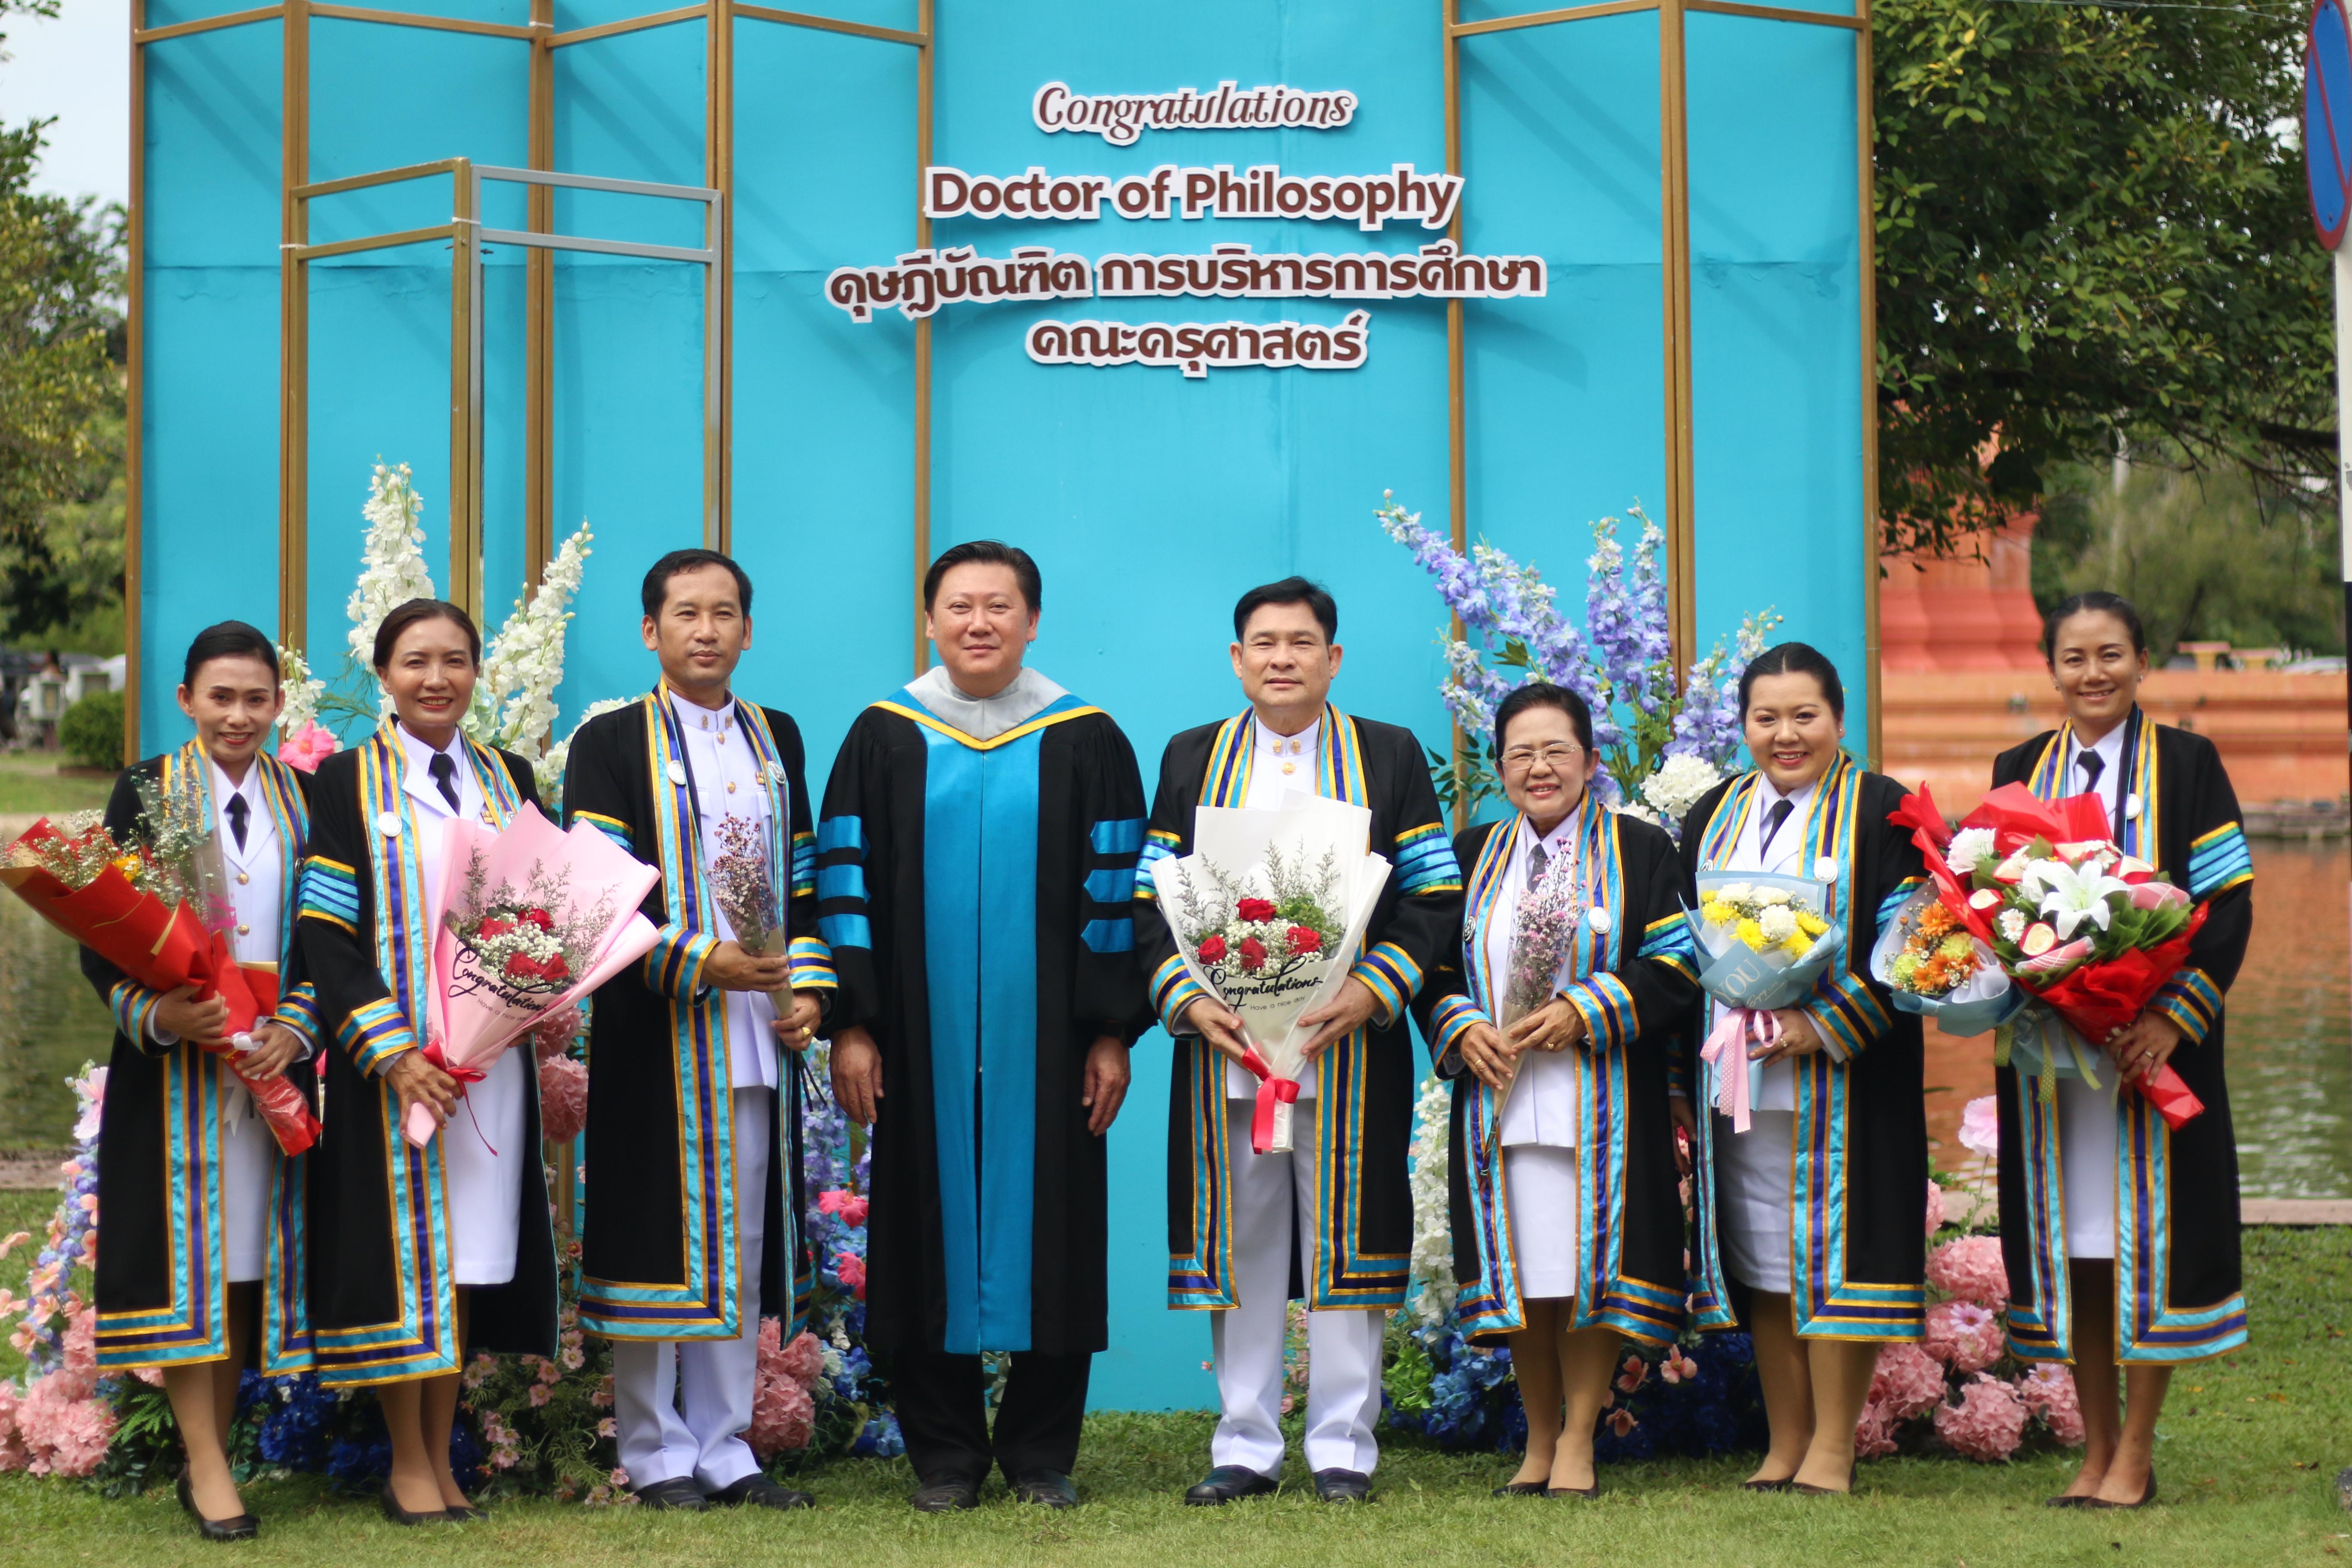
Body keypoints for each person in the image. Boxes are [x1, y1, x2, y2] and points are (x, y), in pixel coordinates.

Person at [816, 541, 1148, 1512]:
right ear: (930, 621)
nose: (978, 622)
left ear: (1031, 620)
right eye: (959, 606)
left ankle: (1042, 1452)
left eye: (999, 606)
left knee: (1059, 1227)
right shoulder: (883, 736)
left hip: (1051, 1046)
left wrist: (1111, 1032)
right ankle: (947, 1456)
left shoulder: (1087, 738)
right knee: (920, 1227)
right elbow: (844, 889)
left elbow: (1120, 901)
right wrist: (854, 1024)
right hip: (913, 1041)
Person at [1133, 578, 1463, 1506]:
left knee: (1345, 1244)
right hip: (1228, 1048)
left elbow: (1433, 894)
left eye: (1302, 642)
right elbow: (1150, 899)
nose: (1283, 658)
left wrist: (1372, 988)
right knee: (1240, 1242)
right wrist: (1190, 1006)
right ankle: (1244, 1442)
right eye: (1264, 644)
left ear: (1333, 658)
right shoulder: (1192, 757)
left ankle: (1342, 1449)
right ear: (1237, 659)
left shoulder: (1388, 755)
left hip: (1347, 1047)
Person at [563, 549, 832, 1512]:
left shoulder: (778, 737)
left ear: (748, 631)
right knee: (652, 1233)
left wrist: (805, 990)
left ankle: (726, 1443)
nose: (707, 630)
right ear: (651, 631)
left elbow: (802, 885)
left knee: (742, 1239)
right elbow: (596, 893)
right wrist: (697, 960)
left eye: (725, 614)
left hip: (758, 1029)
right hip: (658, 1031)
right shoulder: (609, 743)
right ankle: (652, 1445)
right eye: (686, 614)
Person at [296, 599, 558, 1524]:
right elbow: (325, 933)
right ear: (384, 675)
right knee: (406, 1260)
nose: (436, 679)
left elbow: (546, 910)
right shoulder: (343, 784)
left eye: (454, 661)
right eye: (415, 662)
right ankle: (410, 1463)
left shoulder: (509, 776)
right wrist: (393, 1051)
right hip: (393, 1074)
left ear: (477, 671)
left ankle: (441, 1459)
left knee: (466, 1264)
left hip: (488, 1071)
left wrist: (534, 1003)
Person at [1990, 591, 2253, 1510]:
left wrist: (2170, 1018)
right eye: (2073, 657)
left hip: (2151, 1057)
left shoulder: (2187, 764)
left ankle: (2135, 1453)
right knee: (2082, 1248)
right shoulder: (2019, 768)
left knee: (2153, 1245)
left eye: (2110, 655)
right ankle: (2094, 1448)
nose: (2092, 674)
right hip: (2056, 1061)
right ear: (2051, 668)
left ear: (2142, 663)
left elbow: (2226, 906)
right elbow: (1992, 908)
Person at [1410, 681, 1698, 1498]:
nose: (1539, 769)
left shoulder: (1641, 850)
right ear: (1499, 767)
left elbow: (1677, 968)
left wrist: (1586, 1009)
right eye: (1521, 754)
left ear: (1591, 761)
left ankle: (1579, 1438)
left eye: (1556, 752)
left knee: (1584, 1273)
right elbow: (1426, 967)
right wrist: (1460, 1023)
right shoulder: (1470, 857)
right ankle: (1537, 1438)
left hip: (1601, 1097)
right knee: (1527, 1273)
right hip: (1499, 1100)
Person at [83, 622, 322, 1541]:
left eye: (256, 698)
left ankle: (212, 1449)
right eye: (220, 697)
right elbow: (100, 939)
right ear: (186, 701)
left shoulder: (306, 800)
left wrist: (298, 1029)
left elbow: (331, 932)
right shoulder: (145, 793)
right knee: (192, 1266)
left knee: (246, 1264)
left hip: (275, 1069)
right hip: (179, 1069)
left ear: (277, 705)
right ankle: (209, 1464)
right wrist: (163, 1016)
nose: (238, 715)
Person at [1675, 642, 1927, 1495]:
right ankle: (1785, 1442)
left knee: (1834, 1256)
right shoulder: (1713, 814)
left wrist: (1821, 1024)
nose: (1785, 735)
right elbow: (1682, 944)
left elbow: (1917, 948)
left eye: (1803, 716)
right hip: (1738, 1078)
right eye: (1765, 718)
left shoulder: (1882, 812)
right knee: (1762, 1259)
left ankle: (1833, 1448)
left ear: (1839, 718)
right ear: (1742, 725)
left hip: (1843, 1082)